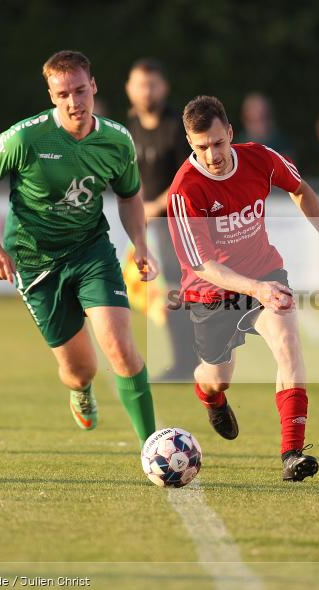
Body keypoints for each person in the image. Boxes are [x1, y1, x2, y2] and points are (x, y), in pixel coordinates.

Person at [0, 50, 159, 443]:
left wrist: (140, 244)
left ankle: (153, 446)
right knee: (80, 369)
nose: (74, 102)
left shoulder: (117, 141)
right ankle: (80, 391)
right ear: (52, 95)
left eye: (81, 91)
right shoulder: (25, 138)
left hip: (91, 252)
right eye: (64, 93)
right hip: (35, 265)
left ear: (94, 87)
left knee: (120, 348)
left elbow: (130, 196)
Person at [167, 96, 319, 481]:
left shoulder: (260, 157)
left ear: (230, 133)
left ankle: (291, 452)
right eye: (202, 147)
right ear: (190, 143)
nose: (213, 154)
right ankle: (210, 396)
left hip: (266, 273)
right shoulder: (184, 191)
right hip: (211, 293)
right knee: (217, 376)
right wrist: (253, 288)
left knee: (289, 346)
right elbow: (204, 265)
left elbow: (300, 189)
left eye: (218, 143)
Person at [124, 58, 196, 381]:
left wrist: (153, 206)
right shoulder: (127, 128)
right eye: (140, 84)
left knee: (177, 295)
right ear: (129, 89)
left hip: (177, 225)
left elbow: (188, 176)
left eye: (152, 84)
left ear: (163, 87)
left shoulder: (177, 126)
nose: (146, 91)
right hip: (142, 225)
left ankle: (186, 363)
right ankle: (179, 362)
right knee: (150, 296)